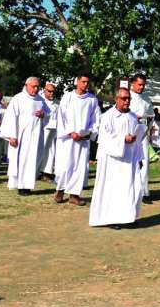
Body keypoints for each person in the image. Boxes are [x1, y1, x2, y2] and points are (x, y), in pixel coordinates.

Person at [89, 88, 146, 229]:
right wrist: (123, 139)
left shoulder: (133, 116)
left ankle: (128, 217)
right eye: (124, 98)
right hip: (113, 161)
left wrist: (139, 156)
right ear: (116, 99)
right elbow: (104, 139)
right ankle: (111, 218)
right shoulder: (108, 116)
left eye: (128, 99)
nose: (127, 101)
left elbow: (137, 139)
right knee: (113, 189)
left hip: (130, 160)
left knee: (130, 188)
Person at [54, 74, 100, 205]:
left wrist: (89, 133)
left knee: (80, 167)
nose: (86, 84)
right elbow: (61, 117)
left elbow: (96, 119)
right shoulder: (68, 97)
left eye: (87, 82)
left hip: (83, 140)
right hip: (68, 139)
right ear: (77, 82)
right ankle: (60, 190)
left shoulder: (92, 100)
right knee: (65, 165)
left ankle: (74, 195)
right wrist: (70, 132)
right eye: (83, 81)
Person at [0, 77, 50, 196]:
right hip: (21, 137)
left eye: (38, 87)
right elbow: (10, 118)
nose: (36, 89)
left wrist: (43, 115)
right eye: (33, 86)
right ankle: (21, 186)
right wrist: (12, 136)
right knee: (21, 161)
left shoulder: (41, 100)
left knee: (32, 161)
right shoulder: (18, 99)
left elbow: (49, 115)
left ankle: (27, 186)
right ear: (26, 85)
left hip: (36, 136)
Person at [128, 74, 154, 205]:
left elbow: (151, 115)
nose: (141, 87)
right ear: (132, 84)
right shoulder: (126, 96)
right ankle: (129, 190)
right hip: (129, 134)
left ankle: (144, 191)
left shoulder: (146, 98)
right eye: (139, 84)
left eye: (143, 84)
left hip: (143, 133)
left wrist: (148, 121)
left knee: (144, 162)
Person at [38, 82, 59, 180]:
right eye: (49, 91)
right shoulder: (40, 100)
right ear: (44, 90)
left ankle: (47, 171)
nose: (52, 94)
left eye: (53, 92)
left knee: (51, 150)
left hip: (54, 129)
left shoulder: (57, 103)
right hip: (42, 128)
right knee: (40, 149)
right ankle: (37, 171)